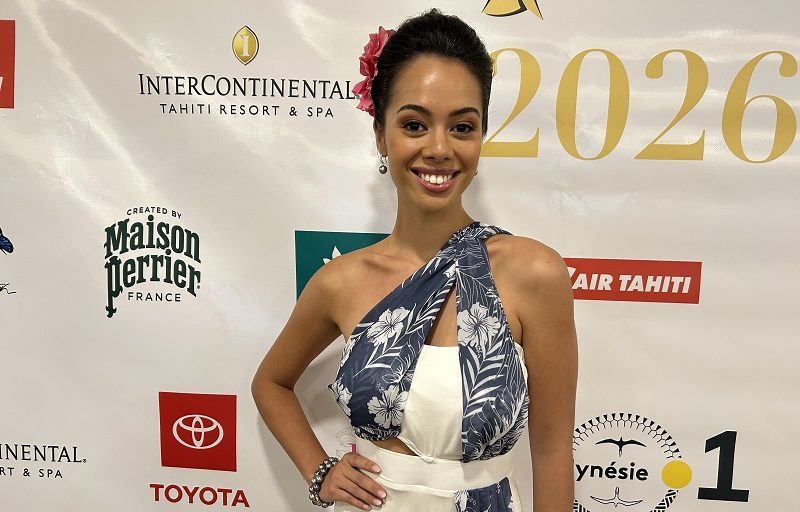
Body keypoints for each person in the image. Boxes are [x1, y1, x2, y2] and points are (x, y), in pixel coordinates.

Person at [252, 9, 577, 512]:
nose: (439, 148)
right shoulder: (340, 281)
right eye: (414, 124)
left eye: (462, 126)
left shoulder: (534, 274)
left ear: (481, 137)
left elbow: (553, 453)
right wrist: (320, 471)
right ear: (381, 136)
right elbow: (270, 383)